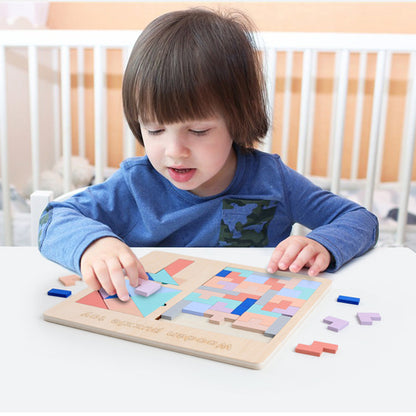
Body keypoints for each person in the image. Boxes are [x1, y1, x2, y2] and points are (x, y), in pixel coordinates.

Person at [38, 8, 379, 302]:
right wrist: (93, 244)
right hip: (149, 324)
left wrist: (323, 243)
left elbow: (359, 219)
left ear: (238, 120)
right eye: (154, 130)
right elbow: (54, 218)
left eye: (198, 131)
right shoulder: (134, 185)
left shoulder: (271, 180)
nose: (175, 152)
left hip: (242, 319)